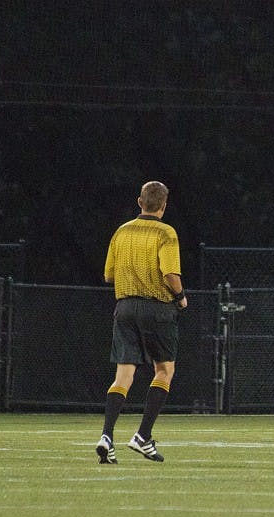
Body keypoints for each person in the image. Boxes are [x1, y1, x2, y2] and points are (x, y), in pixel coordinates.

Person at [96, 180, 187, 464]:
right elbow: (170, 274)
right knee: (164, 370)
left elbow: (109, 275)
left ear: (140, 202)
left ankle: (106, 436)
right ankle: (142, 436)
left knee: (123, 375)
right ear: (164, 205)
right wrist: (181, 297)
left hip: (124, 308)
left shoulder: (121, 231)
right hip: (157, 309)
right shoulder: (166, 233)